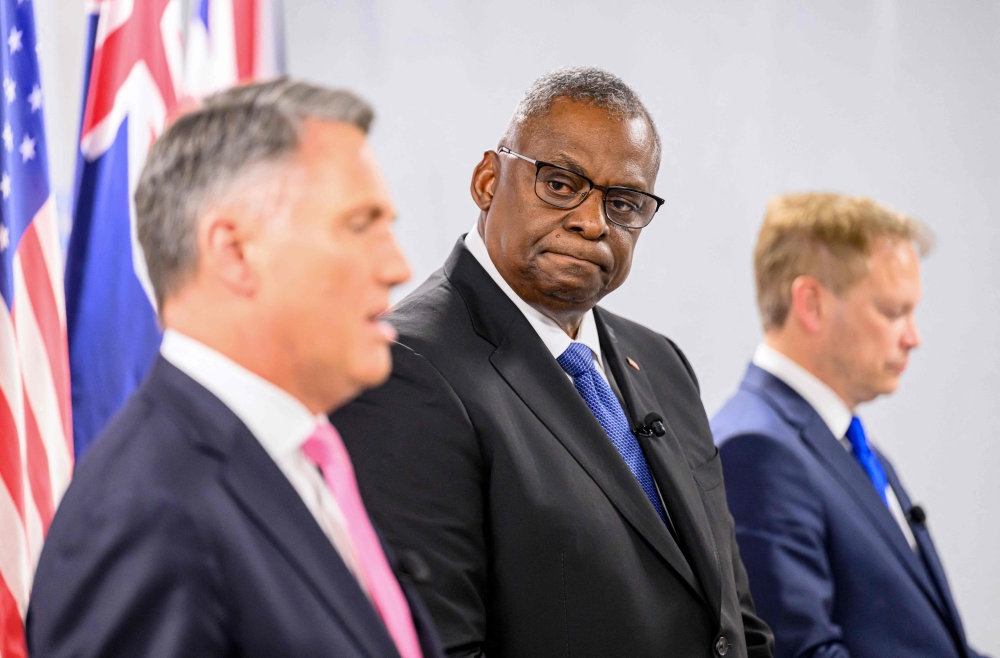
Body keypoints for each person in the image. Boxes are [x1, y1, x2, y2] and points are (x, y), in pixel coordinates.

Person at [331, 67, 774, 658]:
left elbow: (734, 621)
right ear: (488, 180)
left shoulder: (661, 363)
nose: (592, 223)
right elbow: (444, 646)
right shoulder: (403, 367)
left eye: (624, 203)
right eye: (561, 185)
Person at [27, 78, 443, 658]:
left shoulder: (304, 457)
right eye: (359, 224)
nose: (399, 265)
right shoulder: (142, 513)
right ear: (234, 252)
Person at [712, 193, 988, 658]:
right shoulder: (758, 451)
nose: (913, 337)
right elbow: (802, 652)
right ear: (812, 304)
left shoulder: (841, 440)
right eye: (893, 311)